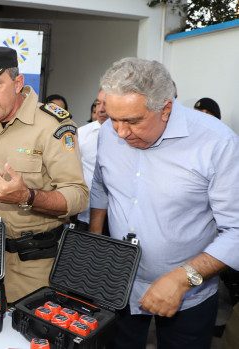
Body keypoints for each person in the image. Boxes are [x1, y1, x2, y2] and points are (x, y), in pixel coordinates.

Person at [89, 57, 239, 349]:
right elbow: (100, 184)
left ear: (166, 109)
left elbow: (236, 230)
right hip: (118, 284)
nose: (119, 132)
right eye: (114, 119)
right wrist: (96, 237)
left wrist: (185, 278)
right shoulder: (110, 132)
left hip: (191, 295)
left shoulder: (217, 143)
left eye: (132, 121)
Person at [0, 46, 88, 303]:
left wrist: (28, 196)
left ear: (18, 83)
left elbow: (78, 195)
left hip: (36, 263)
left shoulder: (53, 125)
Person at [76, 89, 109, 230]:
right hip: (86, 216)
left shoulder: (131, 137)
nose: (100, 110)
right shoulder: (82, 134)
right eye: (97, 103)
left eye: (106, 104)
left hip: (118, 220)